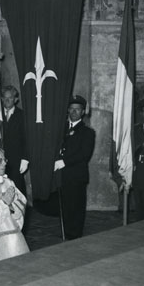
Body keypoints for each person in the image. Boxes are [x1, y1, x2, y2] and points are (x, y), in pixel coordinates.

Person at [53, 95, 95, 240]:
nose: (74, 112)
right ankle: (66, 232)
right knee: (64, 206)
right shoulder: (60, 129)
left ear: (82, 112)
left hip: (76, 176)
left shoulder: (88, 132)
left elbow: (84, 154)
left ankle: (75, 236)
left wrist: (64, 162)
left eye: (77, 109)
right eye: (71, 109)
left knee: (76, 207)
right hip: (61, 175)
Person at [0, 85, 29, 194]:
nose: (7, 100)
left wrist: (25, 158)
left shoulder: (22, 116)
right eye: (5, 97)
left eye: (10, 98)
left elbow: (27, 139)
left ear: (16, 99)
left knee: (16, 189)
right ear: (1, 98)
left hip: (16, 160)